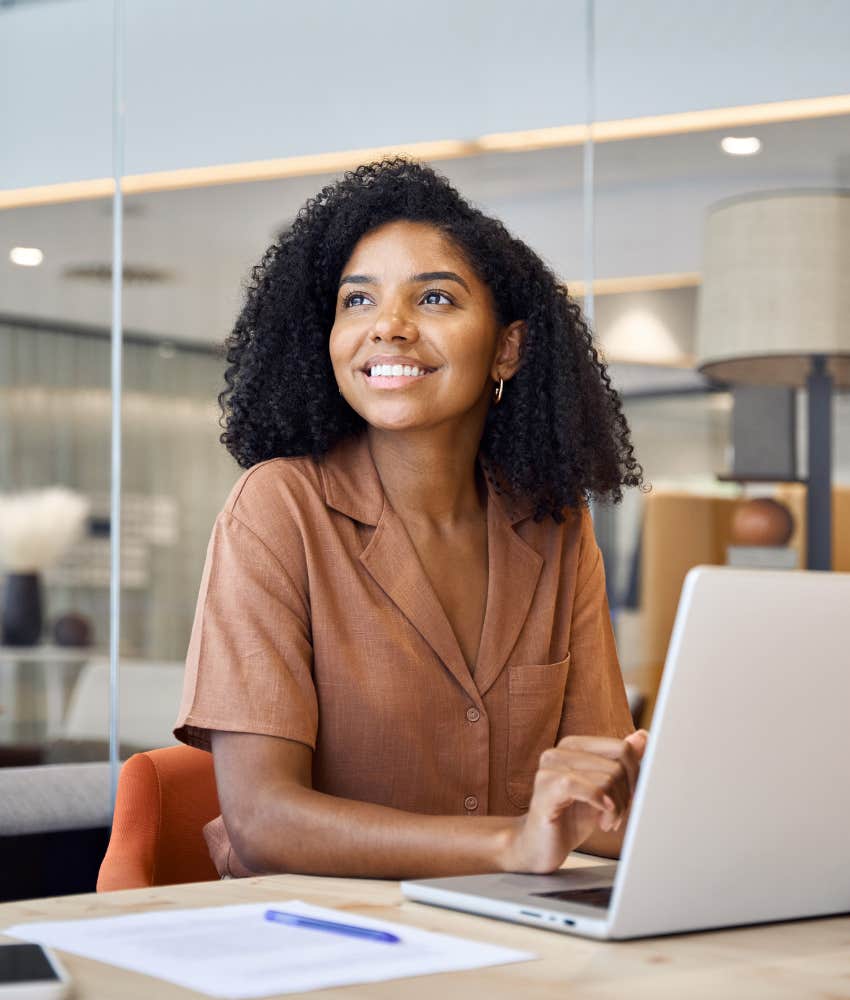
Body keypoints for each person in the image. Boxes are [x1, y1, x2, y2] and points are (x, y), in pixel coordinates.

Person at [175, 157, 647, 880]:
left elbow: (600, 809)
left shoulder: (556, 525)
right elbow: (264, 820)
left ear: (507, 348)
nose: (388, 327)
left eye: (433, 299)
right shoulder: (278, 511)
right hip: (320, 939)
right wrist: (508, 844)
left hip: (509, 935)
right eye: (357, 301)